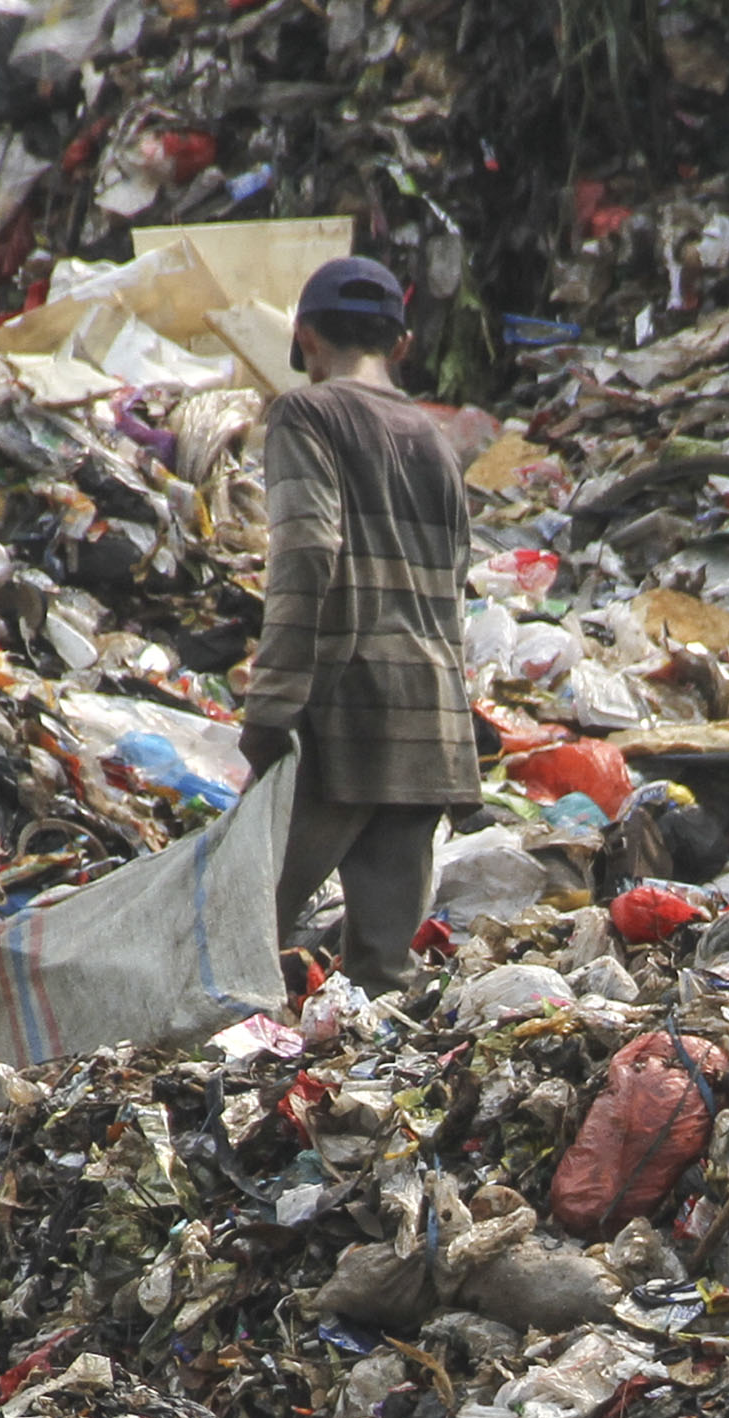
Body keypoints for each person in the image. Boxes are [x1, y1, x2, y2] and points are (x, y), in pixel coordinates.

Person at [237, 255, 482, 1003]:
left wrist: (273, 703)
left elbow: (307, 554)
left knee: (230, 939)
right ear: (402, 345)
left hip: (341, 716)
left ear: (305, 338)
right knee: (383, 980)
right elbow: (454, 589)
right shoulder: (437, 441)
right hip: (428, 724)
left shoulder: (306, 415)